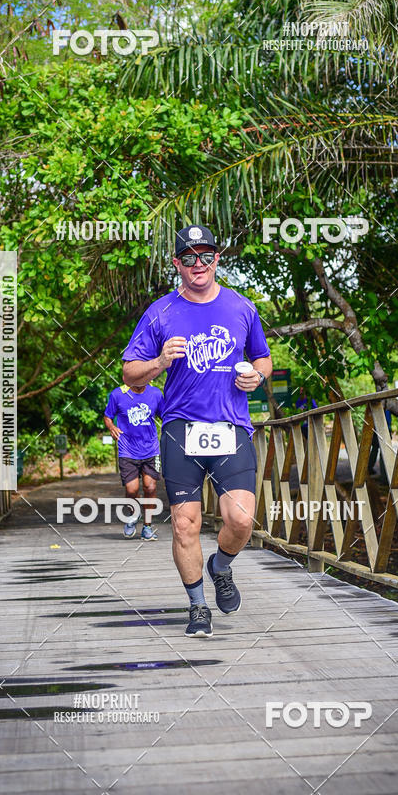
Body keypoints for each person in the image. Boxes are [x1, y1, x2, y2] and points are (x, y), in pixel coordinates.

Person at [122, 225, 272, 637]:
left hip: (231, 427)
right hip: (180, 430)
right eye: (188, 257)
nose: (198, 264)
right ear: (177, 264)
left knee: (241, 519)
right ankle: (198, 606)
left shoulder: (242, 307)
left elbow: (262, 357)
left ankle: (220, 566)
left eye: (206, 255)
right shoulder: (160, 312)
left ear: (217, 259)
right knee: (185, 523)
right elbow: (130, 371)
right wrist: (159, 363)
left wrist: (257, 377)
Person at [103, 383, 164, 540]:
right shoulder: (118, 394)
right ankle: (134, 515)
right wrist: (111, 427)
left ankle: (147, 527)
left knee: (150, 487)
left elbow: (165, 416)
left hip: (151, 449)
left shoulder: (155, 394)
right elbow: (107, 416)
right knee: (131, 490)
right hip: (127, 450)